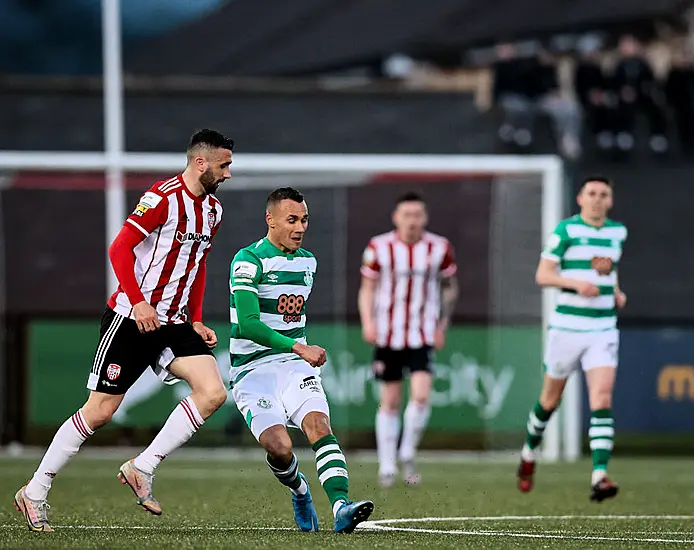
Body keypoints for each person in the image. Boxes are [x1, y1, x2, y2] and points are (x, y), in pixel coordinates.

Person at [14, 129, 234, 532]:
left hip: (175, 322)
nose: (229, 174)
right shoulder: (163, 198)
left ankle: (142, 467)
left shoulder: (214, 211)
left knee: (214, 392)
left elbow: (197, 263)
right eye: (224, 165)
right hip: (132, 318)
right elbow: (119, 248)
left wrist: (197, 317)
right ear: (200, 162)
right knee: (100, 411)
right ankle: (34, 491)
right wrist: (139, 301)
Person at [229, 187, 373, 534]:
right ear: (271, 220)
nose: (300, 227)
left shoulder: (308, 261)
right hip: (252, 371)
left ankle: (341, 507)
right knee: (279, 447)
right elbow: (248, 325)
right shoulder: (248, 260)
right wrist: (298, 348)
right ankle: (300, 490)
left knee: (319, 426)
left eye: (304, 219)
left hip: (294, 368)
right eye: (292, 219)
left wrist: (296, 353)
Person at [516, 175, 627, 502]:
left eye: (603, 194)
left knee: (602, 398)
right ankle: (528, 453)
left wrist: (616, 292)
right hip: (567, 328)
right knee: (549, 401)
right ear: (580, 198)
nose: (596, 199)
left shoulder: (617, 232)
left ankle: (599, 475)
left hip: (603, 329)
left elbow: (608, 270)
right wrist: (577, 285)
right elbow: (543, 274)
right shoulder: (566, 231)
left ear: (610, 200)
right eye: (591, 193)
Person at [358, 192, 458, 487]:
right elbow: (367, 288)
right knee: (389, 400)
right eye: (407, 214)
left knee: (422, 395)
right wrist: (368, 321)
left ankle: (407, 452)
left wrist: (443, 324)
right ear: (396, 217)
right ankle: (387, 464)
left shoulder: (439, 247)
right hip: (388, 333)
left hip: (422, 332)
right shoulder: (379, 246)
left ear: (424, 218)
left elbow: (450, 288)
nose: (412, 220)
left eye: (417, 214)